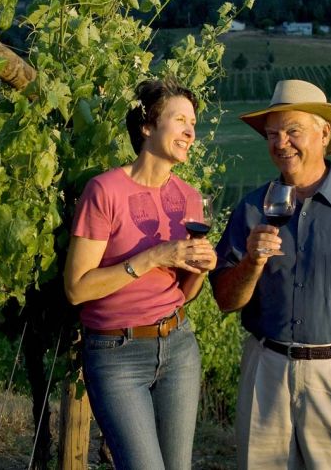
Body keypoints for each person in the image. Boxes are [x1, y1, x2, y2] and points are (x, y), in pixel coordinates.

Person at [64, 77, 217, 470]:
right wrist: (152, 257)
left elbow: (185, 292)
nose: (190, 131)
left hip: (178, 346)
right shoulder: (104, 191)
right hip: (117, 356)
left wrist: (200, 268)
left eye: (193, 123)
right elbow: (77, 289)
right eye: (180, 119)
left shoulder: (190, 198)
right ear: (147, 126)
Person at [209, 79, 331, 469]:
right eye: (272, 134)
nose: (280, 143)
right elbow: (226, 300)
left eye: (292, 131)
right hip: (267, 370)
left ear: (323, 133)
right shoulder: (252, 208)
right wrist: (251, 263)